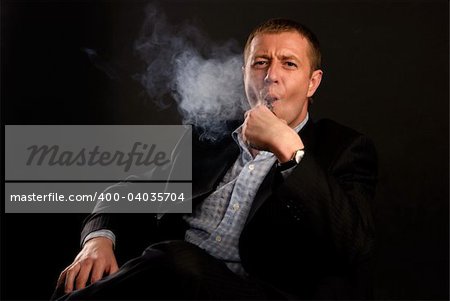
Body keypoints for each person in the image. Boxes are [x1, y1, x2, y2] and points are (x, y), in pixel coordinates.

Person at [53, 18, 377, 300]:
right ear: (245, 72)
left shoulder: (343, 148)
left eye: (289, 64)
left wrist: (289, 150)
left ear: (313, 82)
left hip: (251, 291)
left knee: (179, 261)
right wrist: (98, 239)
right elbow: (131, 190)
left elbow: (353, 243)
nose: (271, 75)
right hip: (168, 279)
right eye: (260, 62)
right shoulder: (213, 135)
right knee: (84, 277)